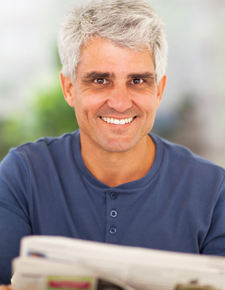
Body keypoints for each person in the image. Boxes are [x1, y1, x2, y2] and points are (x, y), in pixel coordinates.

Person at [0, 0, 225, 286]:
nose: (120, 103)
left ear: (159, 91)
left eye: (138, 81)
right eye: (100, 80)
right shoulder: (23, 175)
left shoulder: (214, 190)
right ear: (69, 88)